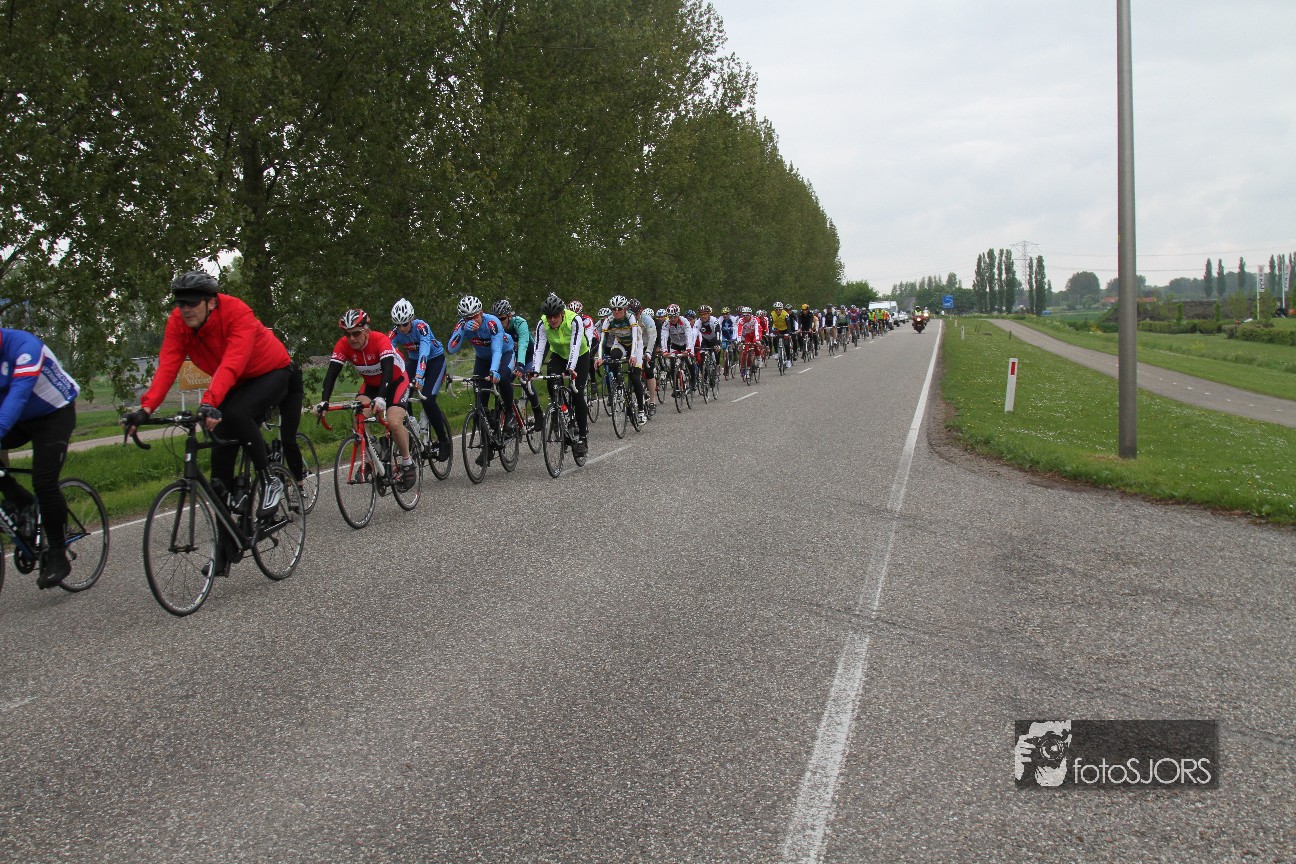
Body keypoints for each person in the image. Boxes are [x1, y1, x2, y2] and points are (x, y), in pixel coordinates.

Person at [124, 271, 293, 519]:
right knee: (219, 450)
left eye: (192, 302)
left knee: (237, 413)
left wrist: (208, 402)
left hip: (271, 371)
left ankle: (270, 480)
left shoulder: (237, 312)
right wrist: (145, 409)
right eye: (181, 303)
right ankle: (227, 528)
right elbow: (168, 366)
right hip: (235, 382)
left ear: (211, 302)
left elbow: (232, 362)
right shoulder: (178, 322)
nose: (186, 309)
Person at [0, 329, 78, 588]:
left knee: (44, 482)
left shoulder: (25, 347)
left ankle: (58, 554)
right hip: (18, 419)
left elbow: (18, 395)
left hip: (53, 414)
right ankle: (19, 500)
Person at [316, 308, 418, 491]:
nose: (352, 338)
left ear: (366, 330)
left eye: (356, 333)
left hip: (396, 381)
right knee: (358, 417)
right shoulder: (343, 345)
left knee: (394, 422)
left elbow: (388, 371)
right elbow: (331, 375)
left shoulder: (380, 340)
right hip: (371, 384)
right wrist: (324, 401)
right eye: (347, 334)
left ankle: (407, 462)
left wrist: (381, 398)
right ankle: (374, 450)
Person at [446, 295, 516, 466]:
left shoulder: (492, 322)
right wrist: (463, 330)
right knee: (480, 406)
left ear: (481, 313)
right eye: (467, 318)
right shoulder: (463, 325)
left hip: (504, 354)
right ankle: (488, 446)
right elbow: (451, 348)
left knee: (502, 378)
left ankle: (510, 414)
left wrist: (494, 371)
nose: (472, 320)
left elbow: (497, 349)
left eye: (475, 316)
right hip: (482, 359)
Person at [388, 297, 452, 463]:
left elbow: (424, 352)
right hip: (414, 361)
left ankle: (443, 440)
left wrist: (418, 376)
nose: (402, 329)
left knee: (428, 400)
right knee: (401, 396)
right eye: (398, 325)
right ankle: (410, 431)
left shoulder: (422, 327)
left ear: (412, 319)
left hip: (435, 361)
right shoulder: (395, 332)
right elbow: (388, 353)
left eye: (405, 324)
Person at [530, 293, 590, 457]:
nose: (552, 320)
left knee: (577, 393)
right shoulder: (542, 323)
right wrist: (535, 369)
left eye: (556, 316)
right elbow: (539, 347)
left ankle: (582, 438)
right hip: (558, 355)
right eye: (549, 316)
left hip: (580, 355)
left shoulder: (574, 320)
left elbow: (575, 346)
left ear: (562, 313)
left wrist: (571, 368)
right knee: (552, 379)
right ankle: (560, 410)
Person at [597, 295, 647, 425]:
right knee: (613, 357)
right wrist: (600, 358)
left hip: (636, 345)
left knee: (635, 376)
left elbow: (635, 337)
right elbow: (602, 341)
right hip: (620, 344)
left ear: (625, 309)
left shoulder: (630, 317)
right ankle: (619, 386)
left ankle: (641, 411)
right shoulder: (609, 320)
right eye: (613, 309)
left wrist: (633, 355)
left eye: (619, 309)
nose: (616, 311)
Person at [494, 299, 543, 431]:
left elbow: (523, 345)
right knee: (502, 381)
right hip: (511, 357)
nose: (500, 322)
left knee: (524, 380)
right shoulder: (495, 327)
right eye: (497, 319)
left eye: (502, 318)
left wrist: (520, 364)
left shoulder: (520, 323)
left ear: (510, 316)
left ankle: (538, 412)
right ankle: (509, 415)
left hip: (527, 356)